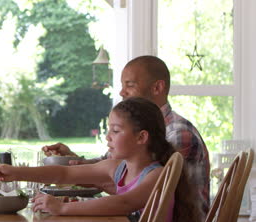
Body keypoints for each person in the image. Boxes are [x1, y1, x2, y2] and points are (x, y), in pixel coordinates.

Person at [0, 97, 203, 222]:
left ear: (141, 138)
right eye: (109, 130)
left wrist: (62, 208)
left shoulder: (156, 175)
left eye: (116, 131)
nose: (108, 137)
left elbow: (123, 203)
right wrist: (16, 172)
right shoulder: (118, 168)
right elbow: (65, 174)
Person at [43, 55, 210, 213]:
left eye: (130, 85)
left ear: (157, 87)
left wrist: (74, 176)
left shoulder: (179, 134)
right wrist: (73, 160)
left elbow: (130, 184)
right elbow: (111, 167)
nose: (122, 92)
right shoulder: (137, 129)